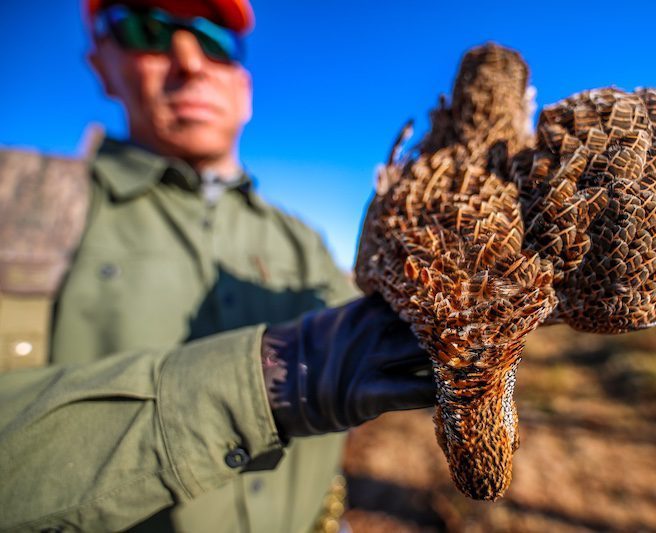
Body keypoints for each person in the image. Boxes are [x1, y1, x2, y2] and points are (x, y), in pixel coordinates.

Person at [0, 1, 435, 531]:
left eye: (213, 41)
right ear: (102, 64)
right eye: (147, 30)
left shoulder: (304, 240)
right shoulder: (16, 205)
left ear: (244, 89)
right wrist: (267, 382)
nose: (189, 61)